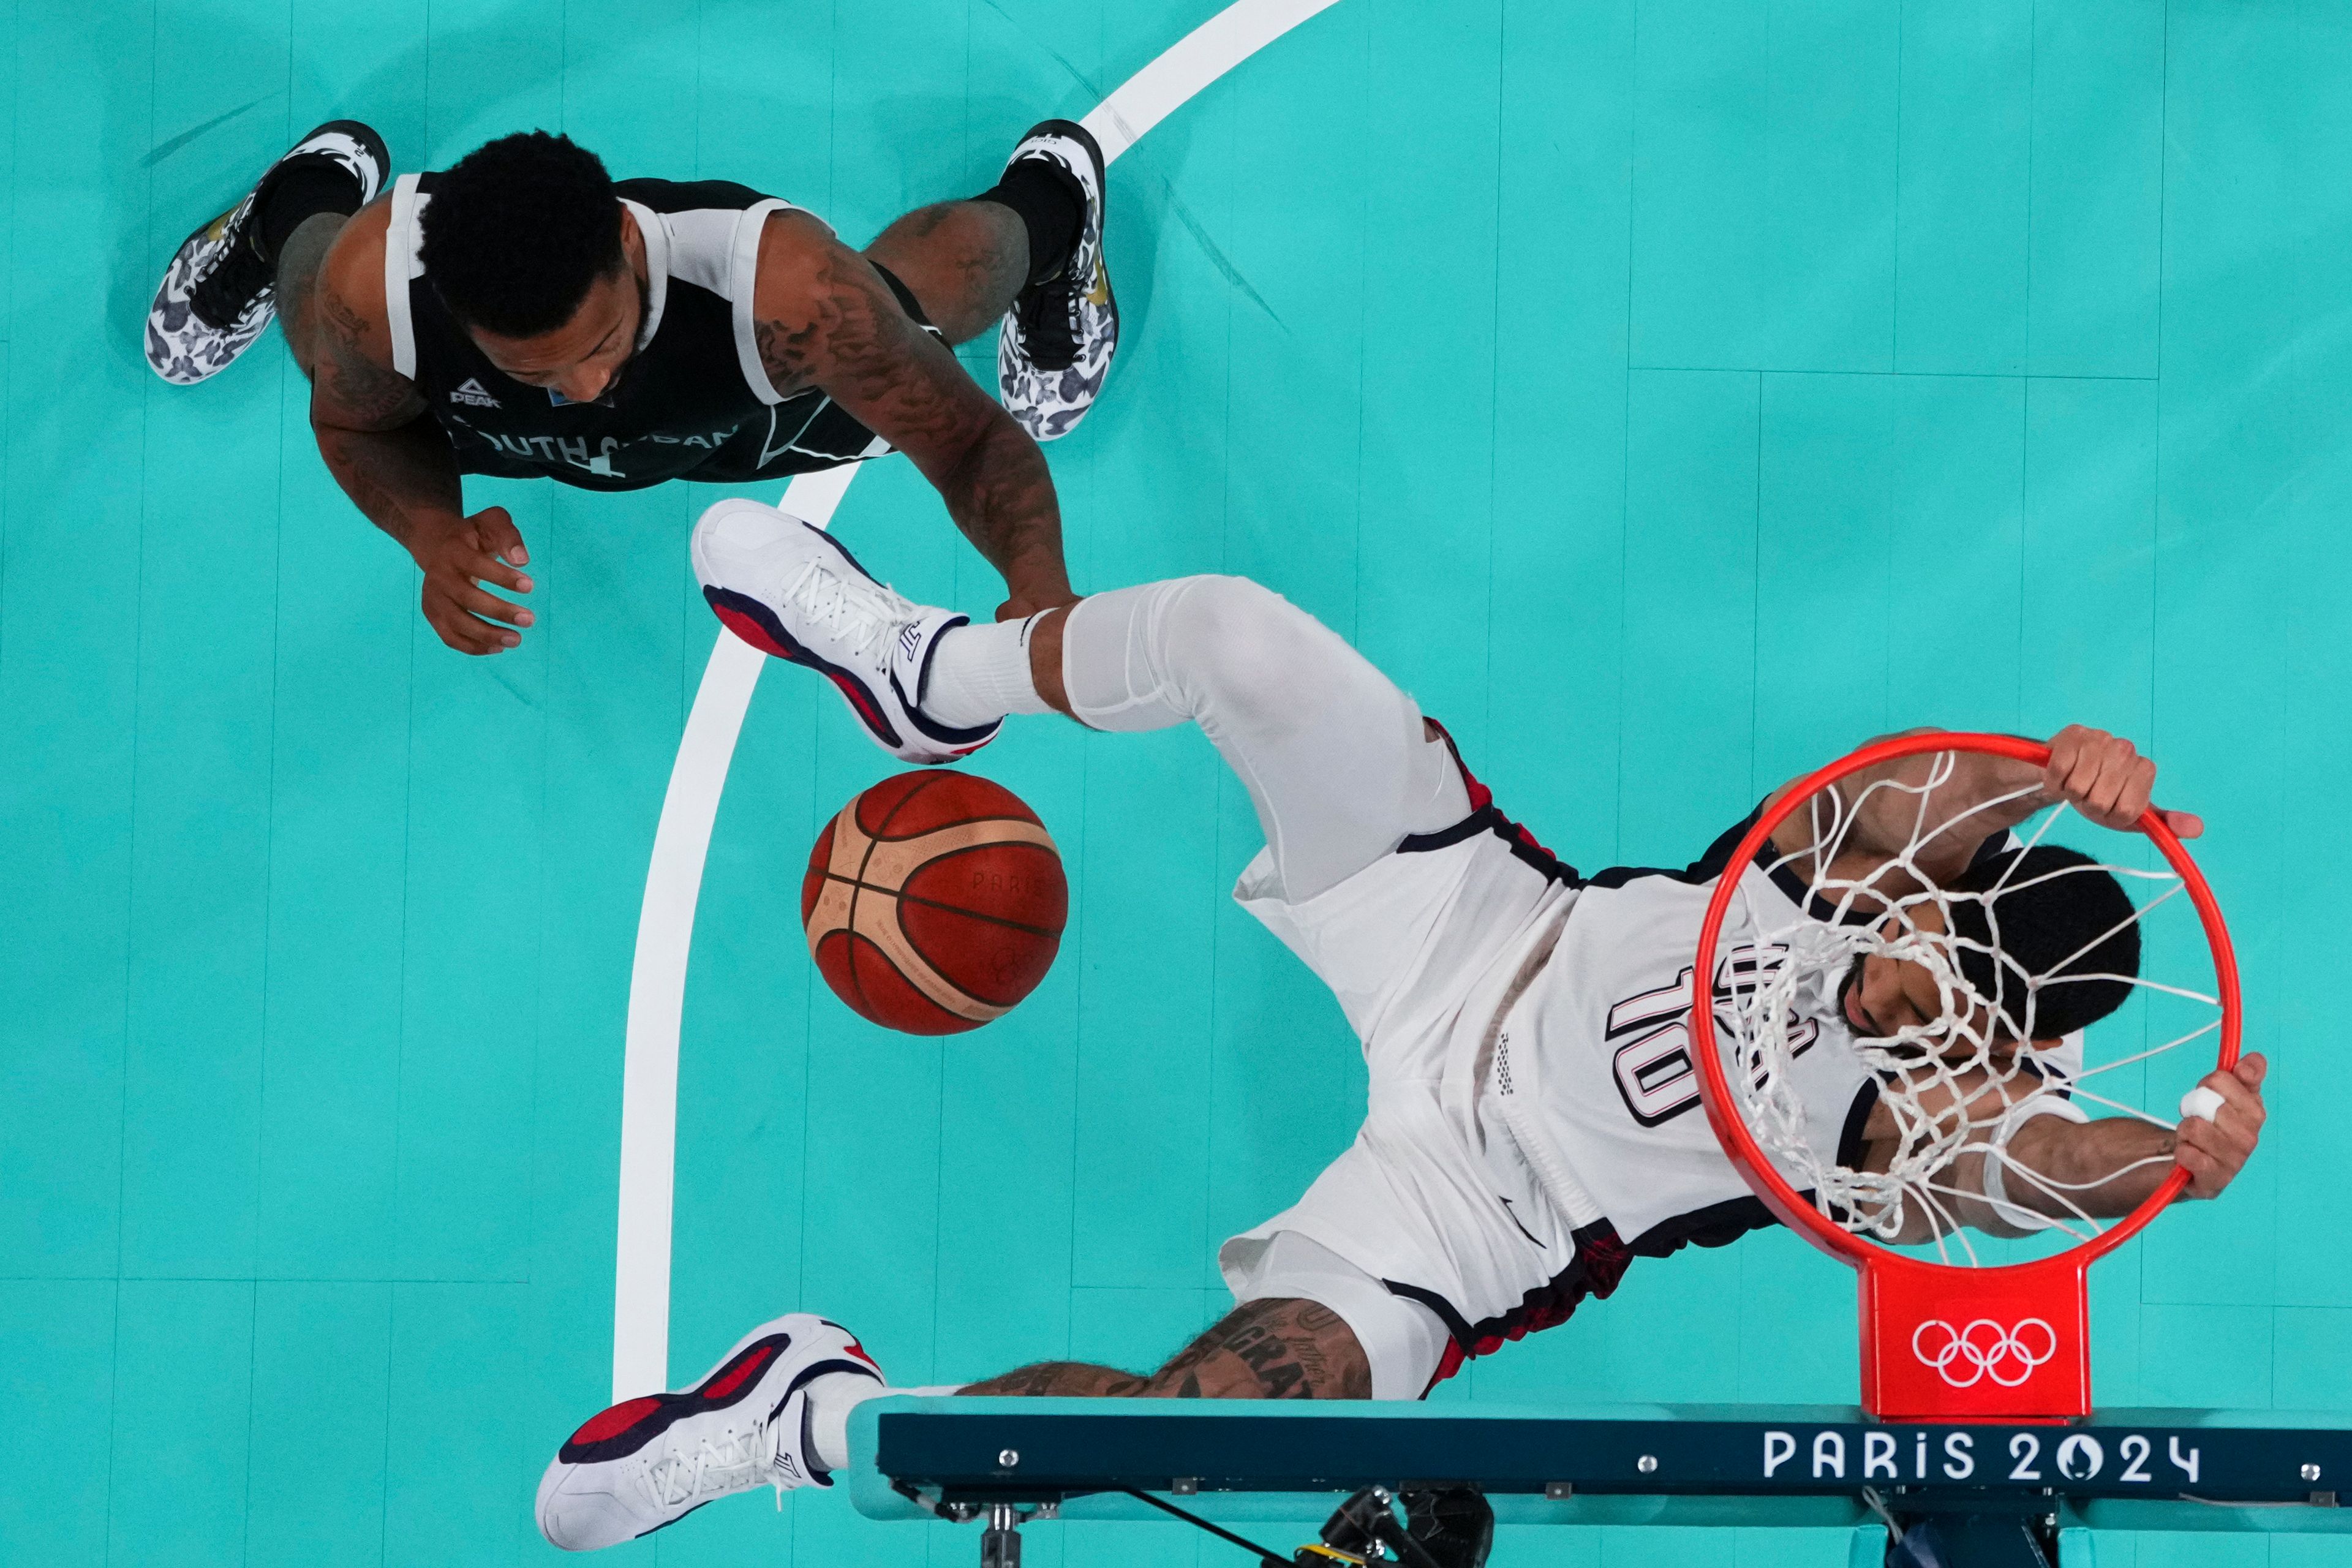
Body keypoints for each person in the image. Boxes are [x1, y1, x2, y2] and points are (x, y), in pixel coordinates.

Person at [528, 499, 2270, 1550]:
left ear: (1991, 1041)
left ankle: (807, 1417)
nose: (1912, 989)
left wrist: (2178, 1164)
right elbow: (1934, 796)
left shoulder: (1927, 1131)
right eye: (1929, 945)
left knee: (1196, 1423)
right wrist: (2067, 776)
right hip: (1465, 912)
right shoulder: (1839, 857)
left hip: (1480, 1214)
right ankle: (923, 671)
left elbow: (2051, 1167)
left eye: (1948, 1014)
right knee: (1232, 635)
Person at [144, 119, 1117, 673]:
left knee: (910, 309)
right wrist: (431, 532)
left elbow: (971, 445)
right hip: (482, 422)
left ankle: (1053, 210)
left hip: (757, 410)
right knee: (325, 332)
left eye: (600, 343)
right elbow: (352, 422)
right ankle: (296, 200)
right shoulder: (386, 286)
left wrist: (1041, 594)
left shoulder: (788, 296)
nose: (585, 389)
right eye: (539, 369)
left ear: (620, 237)